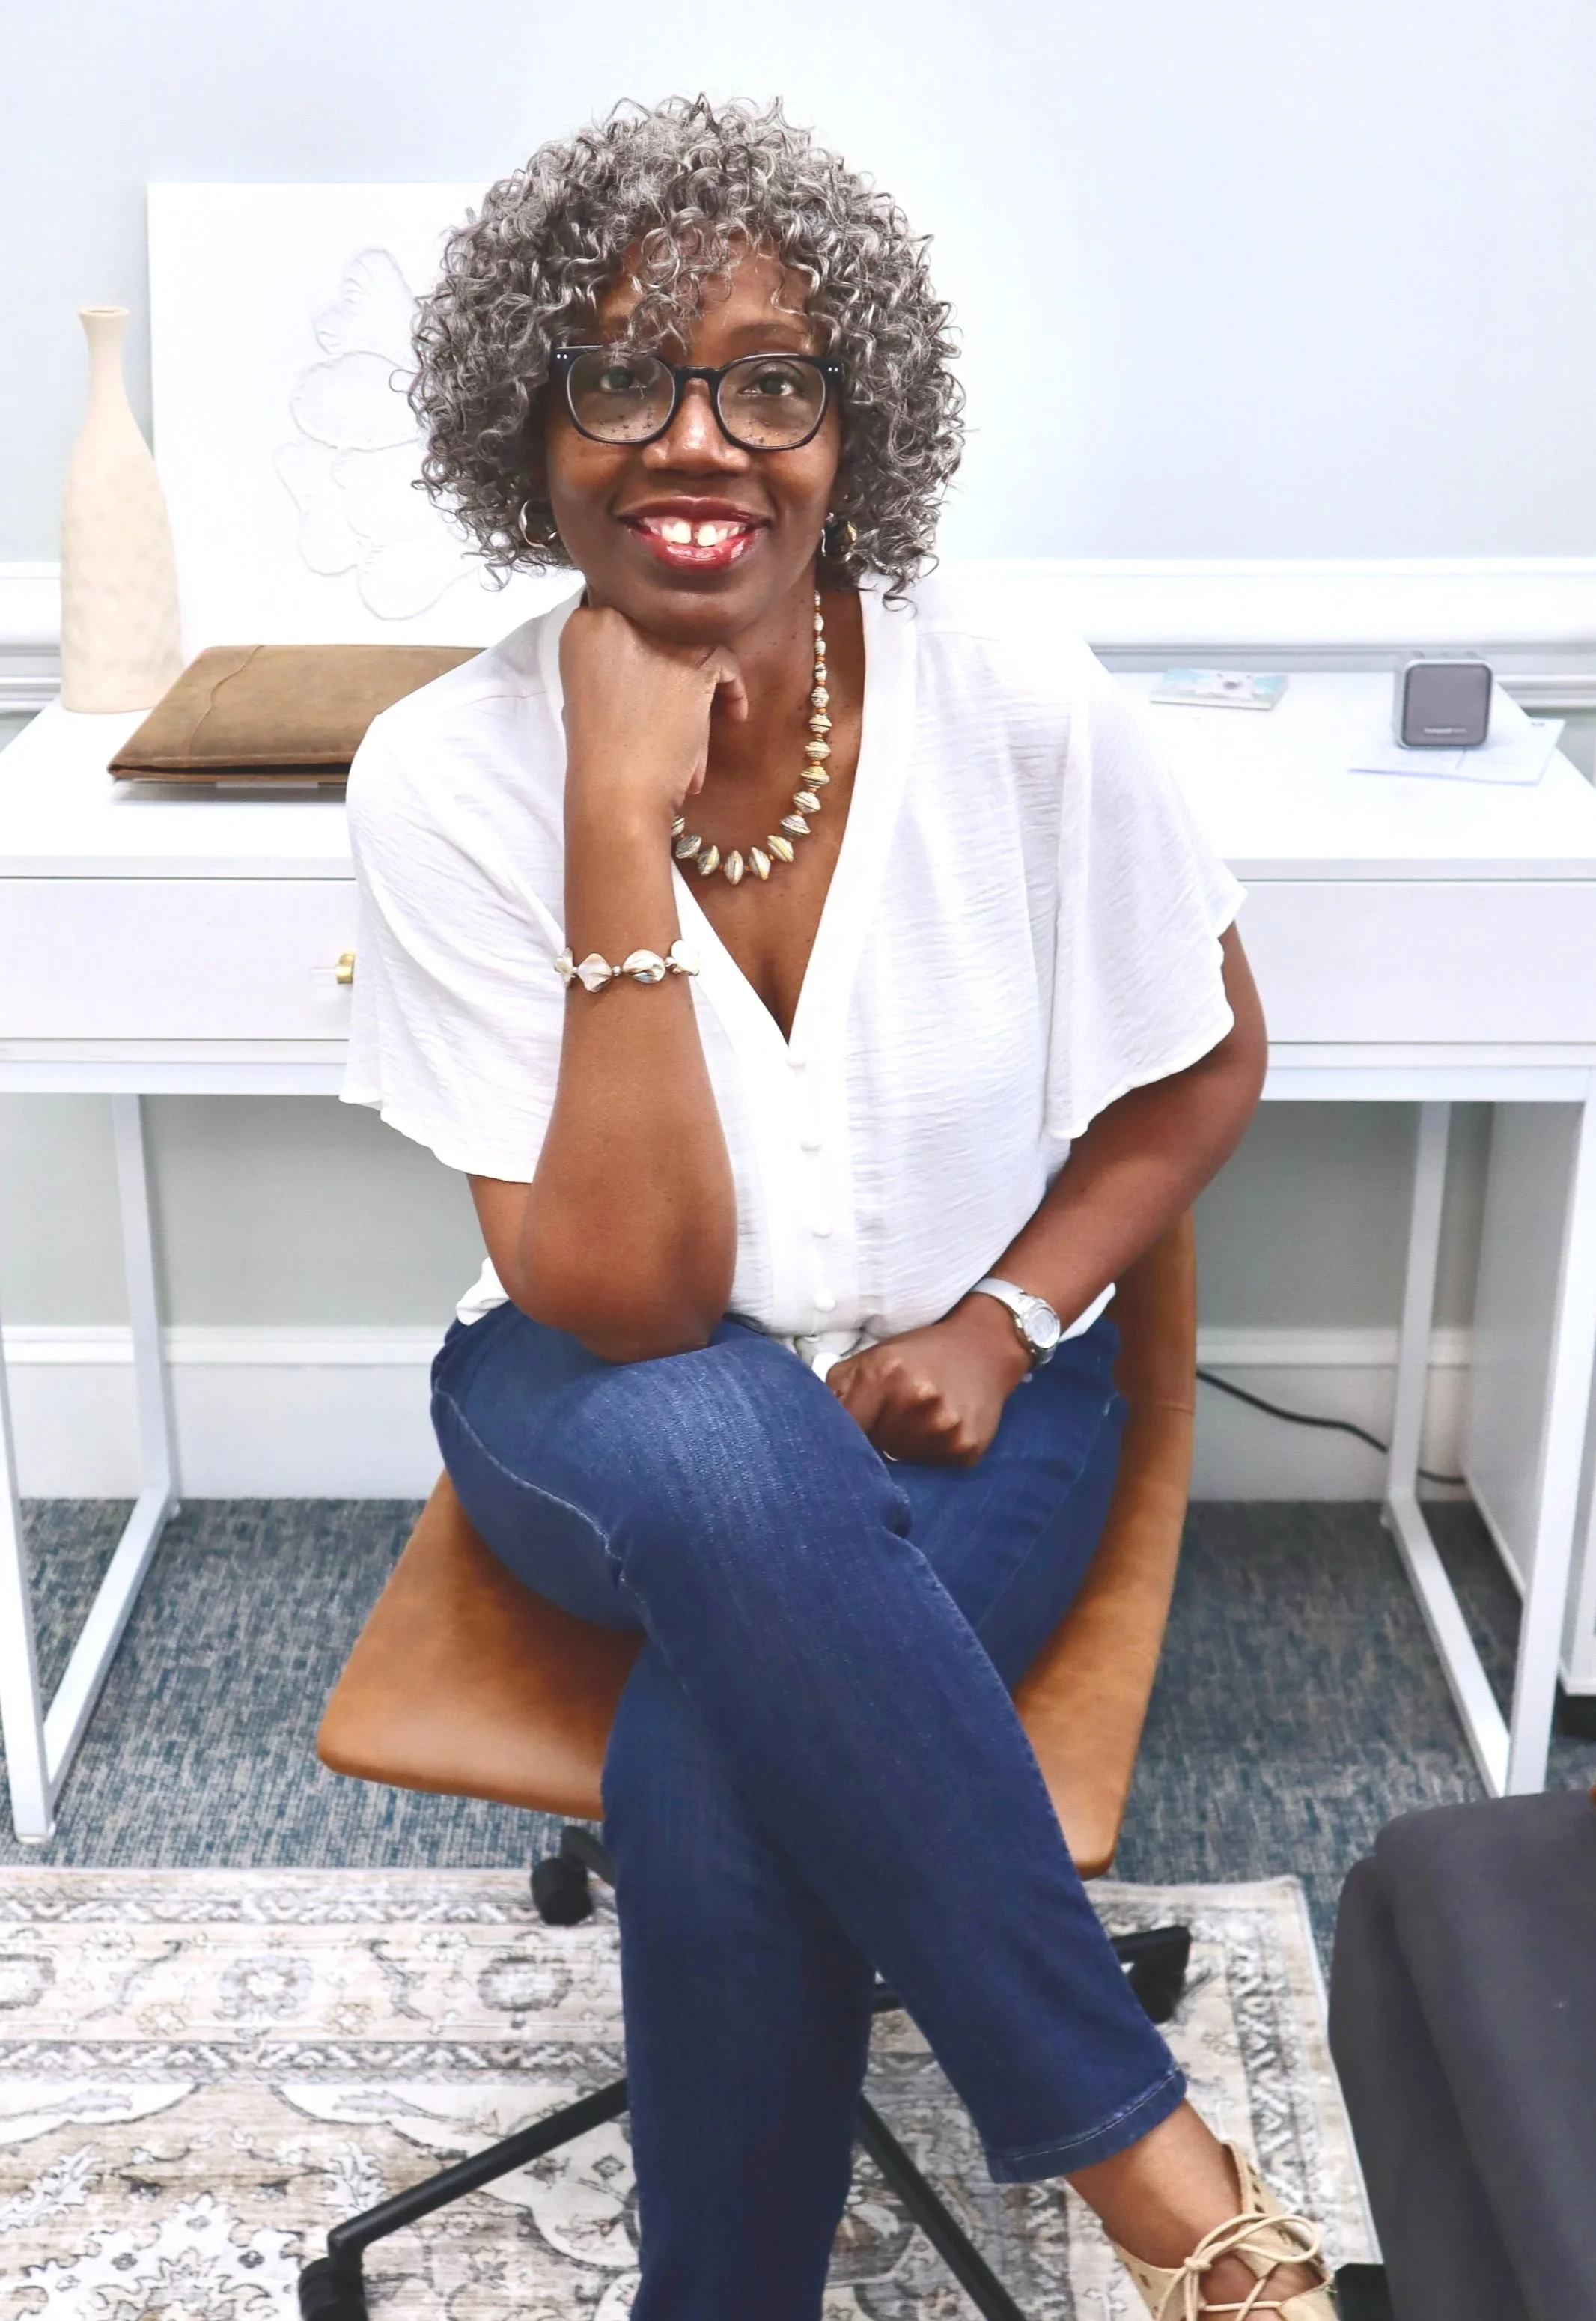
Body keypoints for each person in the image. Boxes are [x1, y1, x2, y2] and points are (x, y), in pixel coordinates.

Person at [344, 94, 1337, 2320]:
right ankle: (1171, 2190)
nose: (697, 438)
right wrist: (615, 820)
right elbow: (625, 1294)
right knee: (715, 1439)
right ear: (531, 429)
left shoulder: (1018, 708)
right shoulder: (445, 771)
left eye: (767, 379)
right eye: (622, 374)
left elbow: (1202, 1062)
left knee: (706, 1778)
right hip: (596, 1397)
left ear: (849, 427)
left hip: (958, 1384)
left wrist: (1005, 1314)